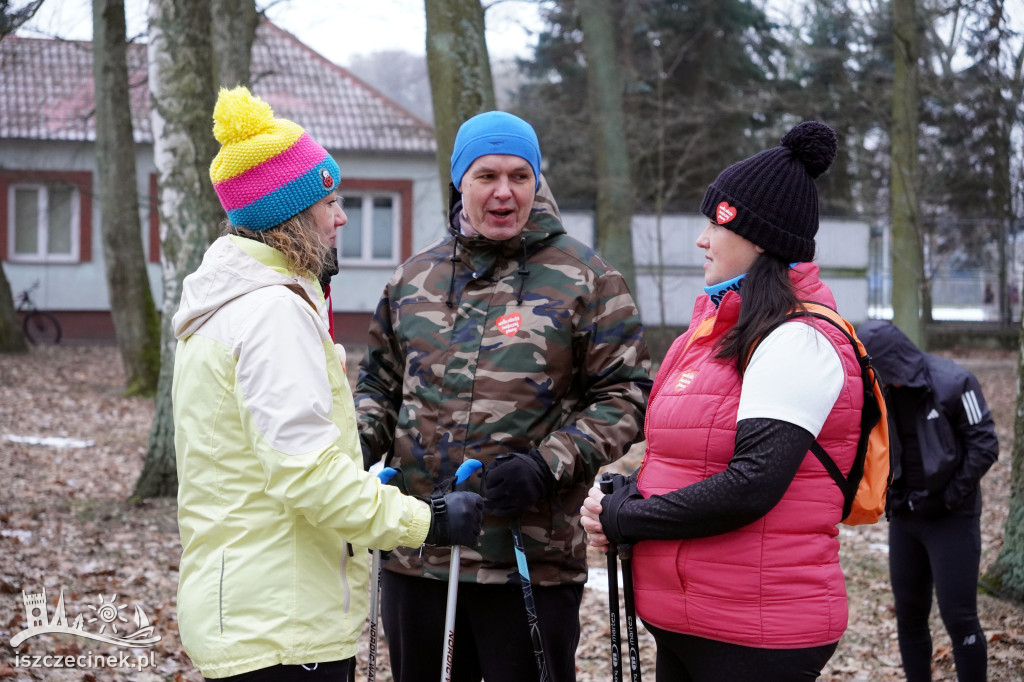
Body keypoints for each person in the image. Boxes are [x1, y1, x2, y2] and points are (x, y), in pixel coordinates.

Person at [171, 86, 484, 682]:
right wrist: (427, 520)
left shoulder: (228, 302)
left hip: (247, 609)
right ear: (290, 216)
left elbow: (262, 456)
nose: (342, 216)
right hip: (281, 630)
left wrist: (360, 480)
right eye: (331, 202)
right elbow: (305, 475)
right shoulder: (270, 312)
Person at [354, 110, 651, 682]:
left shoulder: (587, 278)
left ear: (537, 181)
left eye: (519, 176)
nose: (503, 193)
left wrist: (547, 465)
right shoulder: (413, 279)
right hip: (418, 556)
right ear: (459, 182)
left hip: (529, 564)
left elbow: (627, 395)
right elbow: (379, 386)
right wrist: (355, 449)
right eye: (486, 176)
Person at [580, 121, 865, 681]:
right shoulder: (712, 333)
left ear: (760, 238)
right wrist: (632, 490)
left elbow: (752, 484)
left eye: (717, 222)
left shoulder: (797, 340)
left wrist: (630, 518)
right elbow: (687, 456)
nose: (702, 238)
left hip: (756, 630)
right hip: (694, 617)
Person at [857, 320, 998, 682]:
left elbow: (984, 445)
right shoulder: (876, 390)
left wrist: (948, 497)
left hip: (952, 515)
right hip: (905, 515)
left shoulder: (954, 381)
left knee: (959, 616)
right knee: (909, 614)